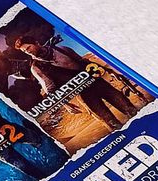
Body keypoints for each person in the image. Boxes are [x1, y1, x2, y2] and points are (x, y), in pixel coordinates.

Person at [13, 35, 142, 130]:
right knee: (112, 124)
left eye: (28, 47)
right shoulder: (36, 68)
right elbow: (51, 89)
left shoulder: (62, 49)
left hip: (98, 83)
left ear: (36, 43)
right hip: (84, 95)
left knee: (130, 109)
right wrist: (66, 105)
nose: (28, 51)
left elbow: (84, 62)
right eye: (25, 51)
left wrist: (109, 71)